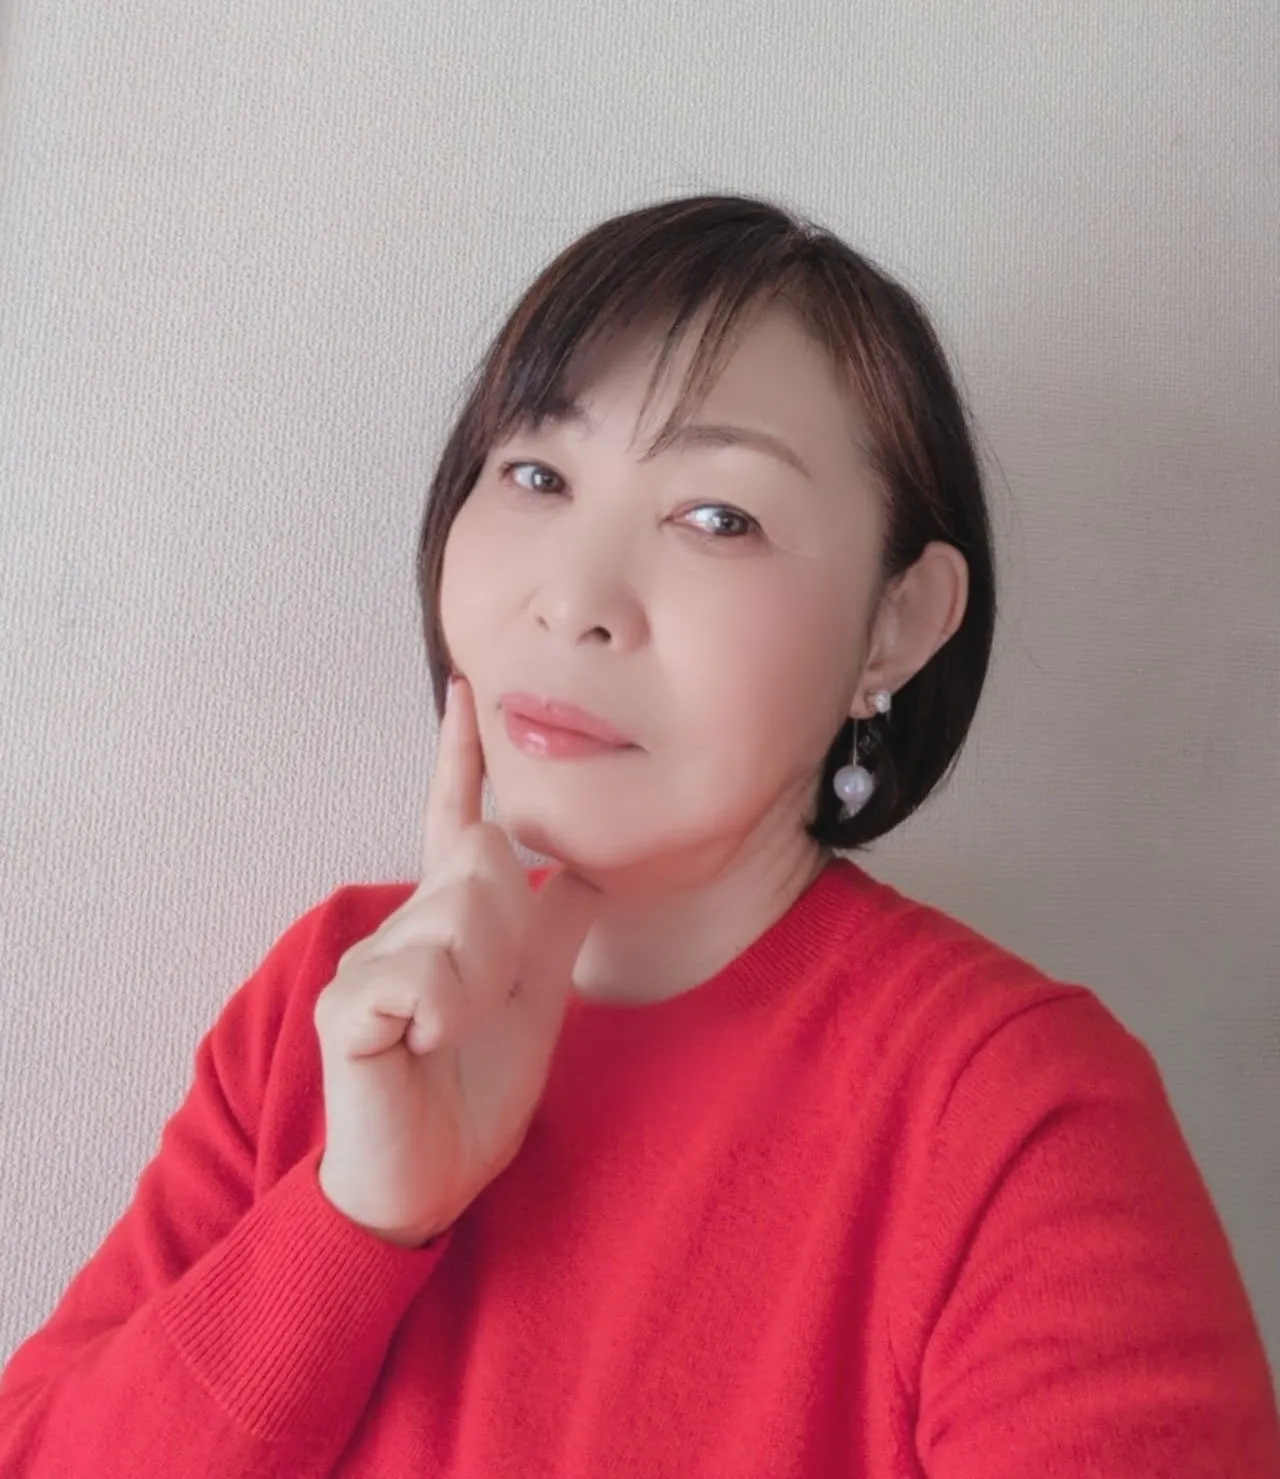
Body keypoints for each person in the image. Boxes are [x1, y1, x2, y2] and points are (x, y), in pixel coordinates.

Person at [1, 193, 1276, 1478]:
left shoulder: (1011, 1115)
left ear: (893, 627)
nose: (574, 599)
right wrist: (352, 1222)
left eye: (718, 517)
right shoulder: (333, 1003)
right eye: (537, 476)